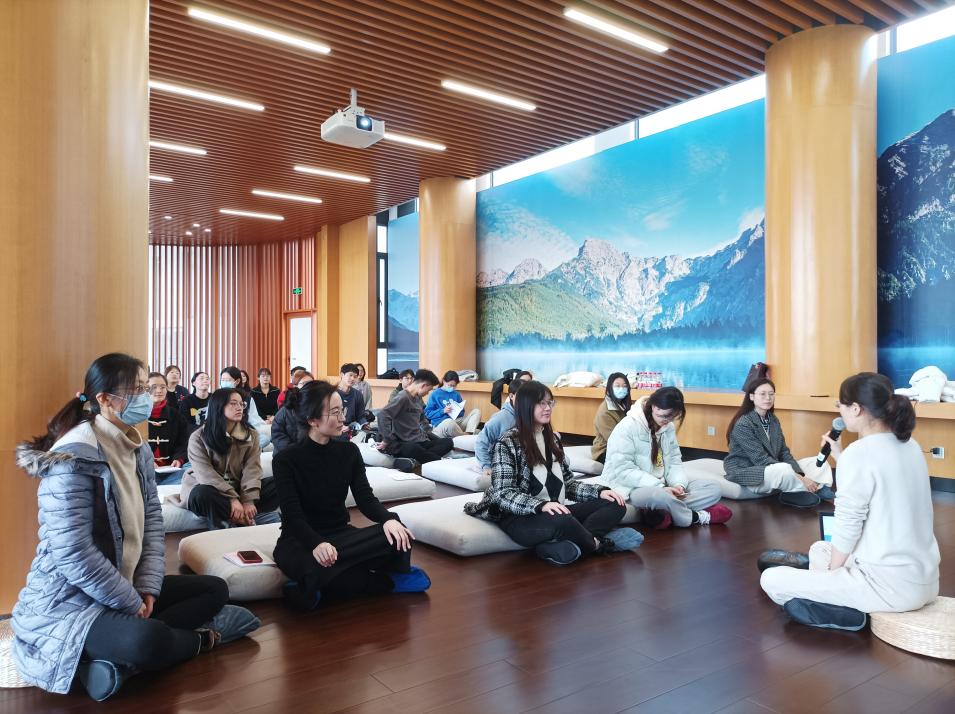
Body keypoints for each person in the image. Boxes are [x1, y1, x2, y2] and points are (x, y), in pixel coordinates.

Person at [11, 353, 257, 701]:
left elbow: (153, 522)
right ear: (104, 399)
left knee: (215, 589)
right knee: (147, 639)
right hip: (72, 601)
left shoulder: (135, 448)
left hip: (124, 583)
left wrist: (147, 588)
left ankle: (117, 661)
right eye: (138, 390)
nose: (148, 397)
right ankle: (201, 639)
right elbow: (73, 553)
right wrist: (128, 600)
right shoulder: (73, 458)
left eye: (147, 388)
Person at [760, 372, 940, 630]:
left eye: (840, 405)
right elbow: (875, 478)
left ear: (856, 408)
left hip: (886, 586)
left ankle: (845, 609)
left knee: (771, 579)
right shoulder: (910, 445)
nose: (840, 411)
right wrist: (840, 456)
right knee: (819, 549)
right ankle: (829, 590)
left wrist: (832, 574)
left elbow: (848, 525)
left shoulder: (859, 454)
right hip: (925, 580)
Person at [272, 380, 430, 611]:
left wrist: (388, 519)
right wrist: (317, 543)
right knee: (315, 565)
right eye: (335, 412)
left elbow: (366, 499)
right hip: (300, 541)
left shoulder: (349, 451)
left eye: (342, 410)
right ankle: (381, 581)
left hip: (342, 537)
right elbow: (292, 515)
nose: (343, 418)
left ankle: (318, 585)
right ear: (312, 420)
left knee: (397, 532)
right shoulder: (285, 460)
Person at [465, 381, 642, 565]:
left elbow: (568, 483)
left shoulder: (552, 440)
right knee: (563, 519)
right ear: (526, 406)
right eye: (541, 403)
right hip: (521, 518)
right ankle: (597, 544)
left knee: (615, 503)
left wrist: (599, 492)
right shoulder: (508, 442)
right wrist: (540, 505)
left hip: (555, 510)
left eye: (550, 402)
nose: (547, 407)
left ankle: (572, 544)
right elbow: (503, 494)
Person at [602, 387, 732, 529]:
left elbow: (675, 461)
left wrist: (678, 485)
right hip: (631, 487)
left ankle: (663, 512)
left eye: (672, 417)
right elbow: (623, 471)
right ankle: (694, 517)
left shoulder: (667, 427)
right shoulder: (627, 427)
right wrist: (660, 487)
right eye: (665, 416)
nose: (668, 421)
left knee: (713, 488)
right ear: (654, 407)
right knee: (659, 496)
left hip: (664, 485)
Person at [170, 387, 280, 530]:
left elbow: (252, 469)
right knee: (202, 494)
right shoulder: (198, 437)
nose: (239, 408)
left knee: (280, 482)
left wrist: (248, 500)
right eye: (233, 403)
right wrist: (232, 499)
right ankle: (240, 522)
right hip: (208, 488)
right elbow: (206, 474)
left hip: (238, 489)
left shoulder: (251, 435)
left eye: (241, 404)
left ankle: (238, 518)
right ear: (218, 406)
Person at [724, 377, 834, 504]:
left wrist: (799, 473)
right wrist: (801, 477)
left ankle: (815, 488)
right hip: (747, 470)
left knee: (818, 462)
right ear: (752, 397)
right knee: (784, 469)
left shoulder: (773, 419)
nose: (768, 398)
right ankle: (804, 491)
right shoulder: (743, 423)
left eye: (771, 394)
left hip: (772, 467)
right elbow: (760, 459)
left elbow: (784, 452)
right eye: (763, 394)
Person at [377, 369, 454, 463]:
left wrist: (430, 436)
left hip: (417, 440)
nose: (427, 393)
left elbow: (423, 420)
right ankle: (439, 460)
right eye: (428, 390)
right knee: (414, 448)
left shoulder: (418, 398)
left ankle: (421, 458)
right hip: (402, 442)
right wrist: (386, 440)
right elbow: (382, 415)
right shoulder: (403, 397)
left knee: (448, 442)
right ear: (423, 386)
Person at [475, 378, 524, 473]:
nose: (526, 400)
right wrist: (486, 466)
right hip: (500, 462)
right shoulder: (501, 418)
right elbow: (480, 443)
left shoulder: (528, 415)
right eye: (522, 396)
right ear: (511, 396)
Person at [146, 372, 190, 471]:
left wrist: (179, 459)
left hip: (171, 468)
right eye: (154, 387)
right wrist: (145, 461)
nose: (159, 391)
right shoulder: (136, 415)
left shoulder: (176, 415)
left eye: (163, 387)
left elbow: (184, 442)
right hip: (143, 468)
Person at [220, 366, 270, 449]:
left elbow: (254, 420)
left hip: (242, 431)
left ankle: (241, 449)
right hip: (222, 431)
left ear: (237, 381)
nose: (224, 382)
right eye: (222, 380)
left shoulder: (247, 398)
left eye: (227, 380)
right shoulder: (216, 397)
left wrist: (253, 433)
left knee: (265, 438)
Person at [424, 370, 481, 438]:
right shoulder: (435, 394)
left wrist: (458, 410)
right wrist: (443, 411)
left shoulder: (456, 394)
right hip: (443, 423)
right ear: (444, 381)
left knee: (476, 412)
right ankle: (466, 436)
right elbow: (427, 414)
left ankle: (468, 433)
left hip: (456, 422)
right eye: (450, 385)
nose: (452, 388)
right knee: (449, 422)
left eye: (454, 386)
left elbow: (462, 413)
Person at [271, 373, 316, 457]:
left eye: (312, 383)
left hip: (311, 453)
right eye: (305, 383)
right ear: (295, 386)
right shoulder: (286, 410)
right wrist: (294, 451)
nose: (309, 387)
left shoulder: (319, 407)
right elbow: (277, 434)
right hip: (286, 454)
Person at [592, 372, 631, 463]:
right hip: (604, 450)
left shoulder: (624, 405)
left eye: (624, 386)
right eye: (617, 386)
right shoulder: (605, 412)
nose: (621, 389)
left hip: (623, 446)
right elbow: (613, 440)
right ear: (610, 388)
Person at [336, 363, 368, 438]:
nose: (353, 379)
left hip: (351, 430)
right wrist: (340, 426)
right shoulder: (332, 393)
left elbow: (360, 415)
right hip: (335, 429)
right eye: (350, 375)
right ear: (342, 375)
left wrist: (364, 424)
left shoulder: (358, 394)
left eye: (355, 376)